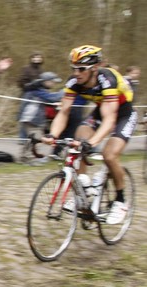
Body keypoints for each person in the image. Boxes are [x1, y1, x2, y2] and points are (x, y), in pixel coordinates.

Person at [42, 45, 137, 224]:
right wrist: (53, 135)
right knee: (78, 139)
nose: (76, 73)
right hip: (102, 111)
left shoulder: (107, 79)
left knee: (109, 155)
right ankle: (84, 189)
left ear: (94, 68)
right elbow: (64, 112)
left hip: (123, 114)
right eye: (73, 68)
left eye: (81, 69)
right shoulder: (74, 82)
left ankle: (120, 201)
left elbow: (110, 120)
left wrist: (92, 143)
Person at [18, 72, 64, 165]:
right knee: (36, 138)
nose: (54, 84)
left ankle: (25, 157)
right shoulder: (37, 90)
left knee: (32, 139)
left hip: (29, 118)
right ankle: (29, 159)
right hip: (32, 118)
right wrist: (66, 90)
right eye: (52, 82)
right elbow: (53, 98)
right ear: (46, 81)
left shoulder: (37, 89)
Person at [17, 51, 44, 141]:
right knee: (24, 117)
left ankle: (31, 137)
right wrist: (28, 86)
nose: (37, 59)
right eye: (35, 57)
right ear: (31, 58)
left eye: (39, 57)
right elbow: (20, 81)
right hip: (27, 94)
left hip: (37, 96)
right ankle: (22, 138)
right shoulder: (26, 69)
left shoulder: (41, 70)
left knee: (34, 117)